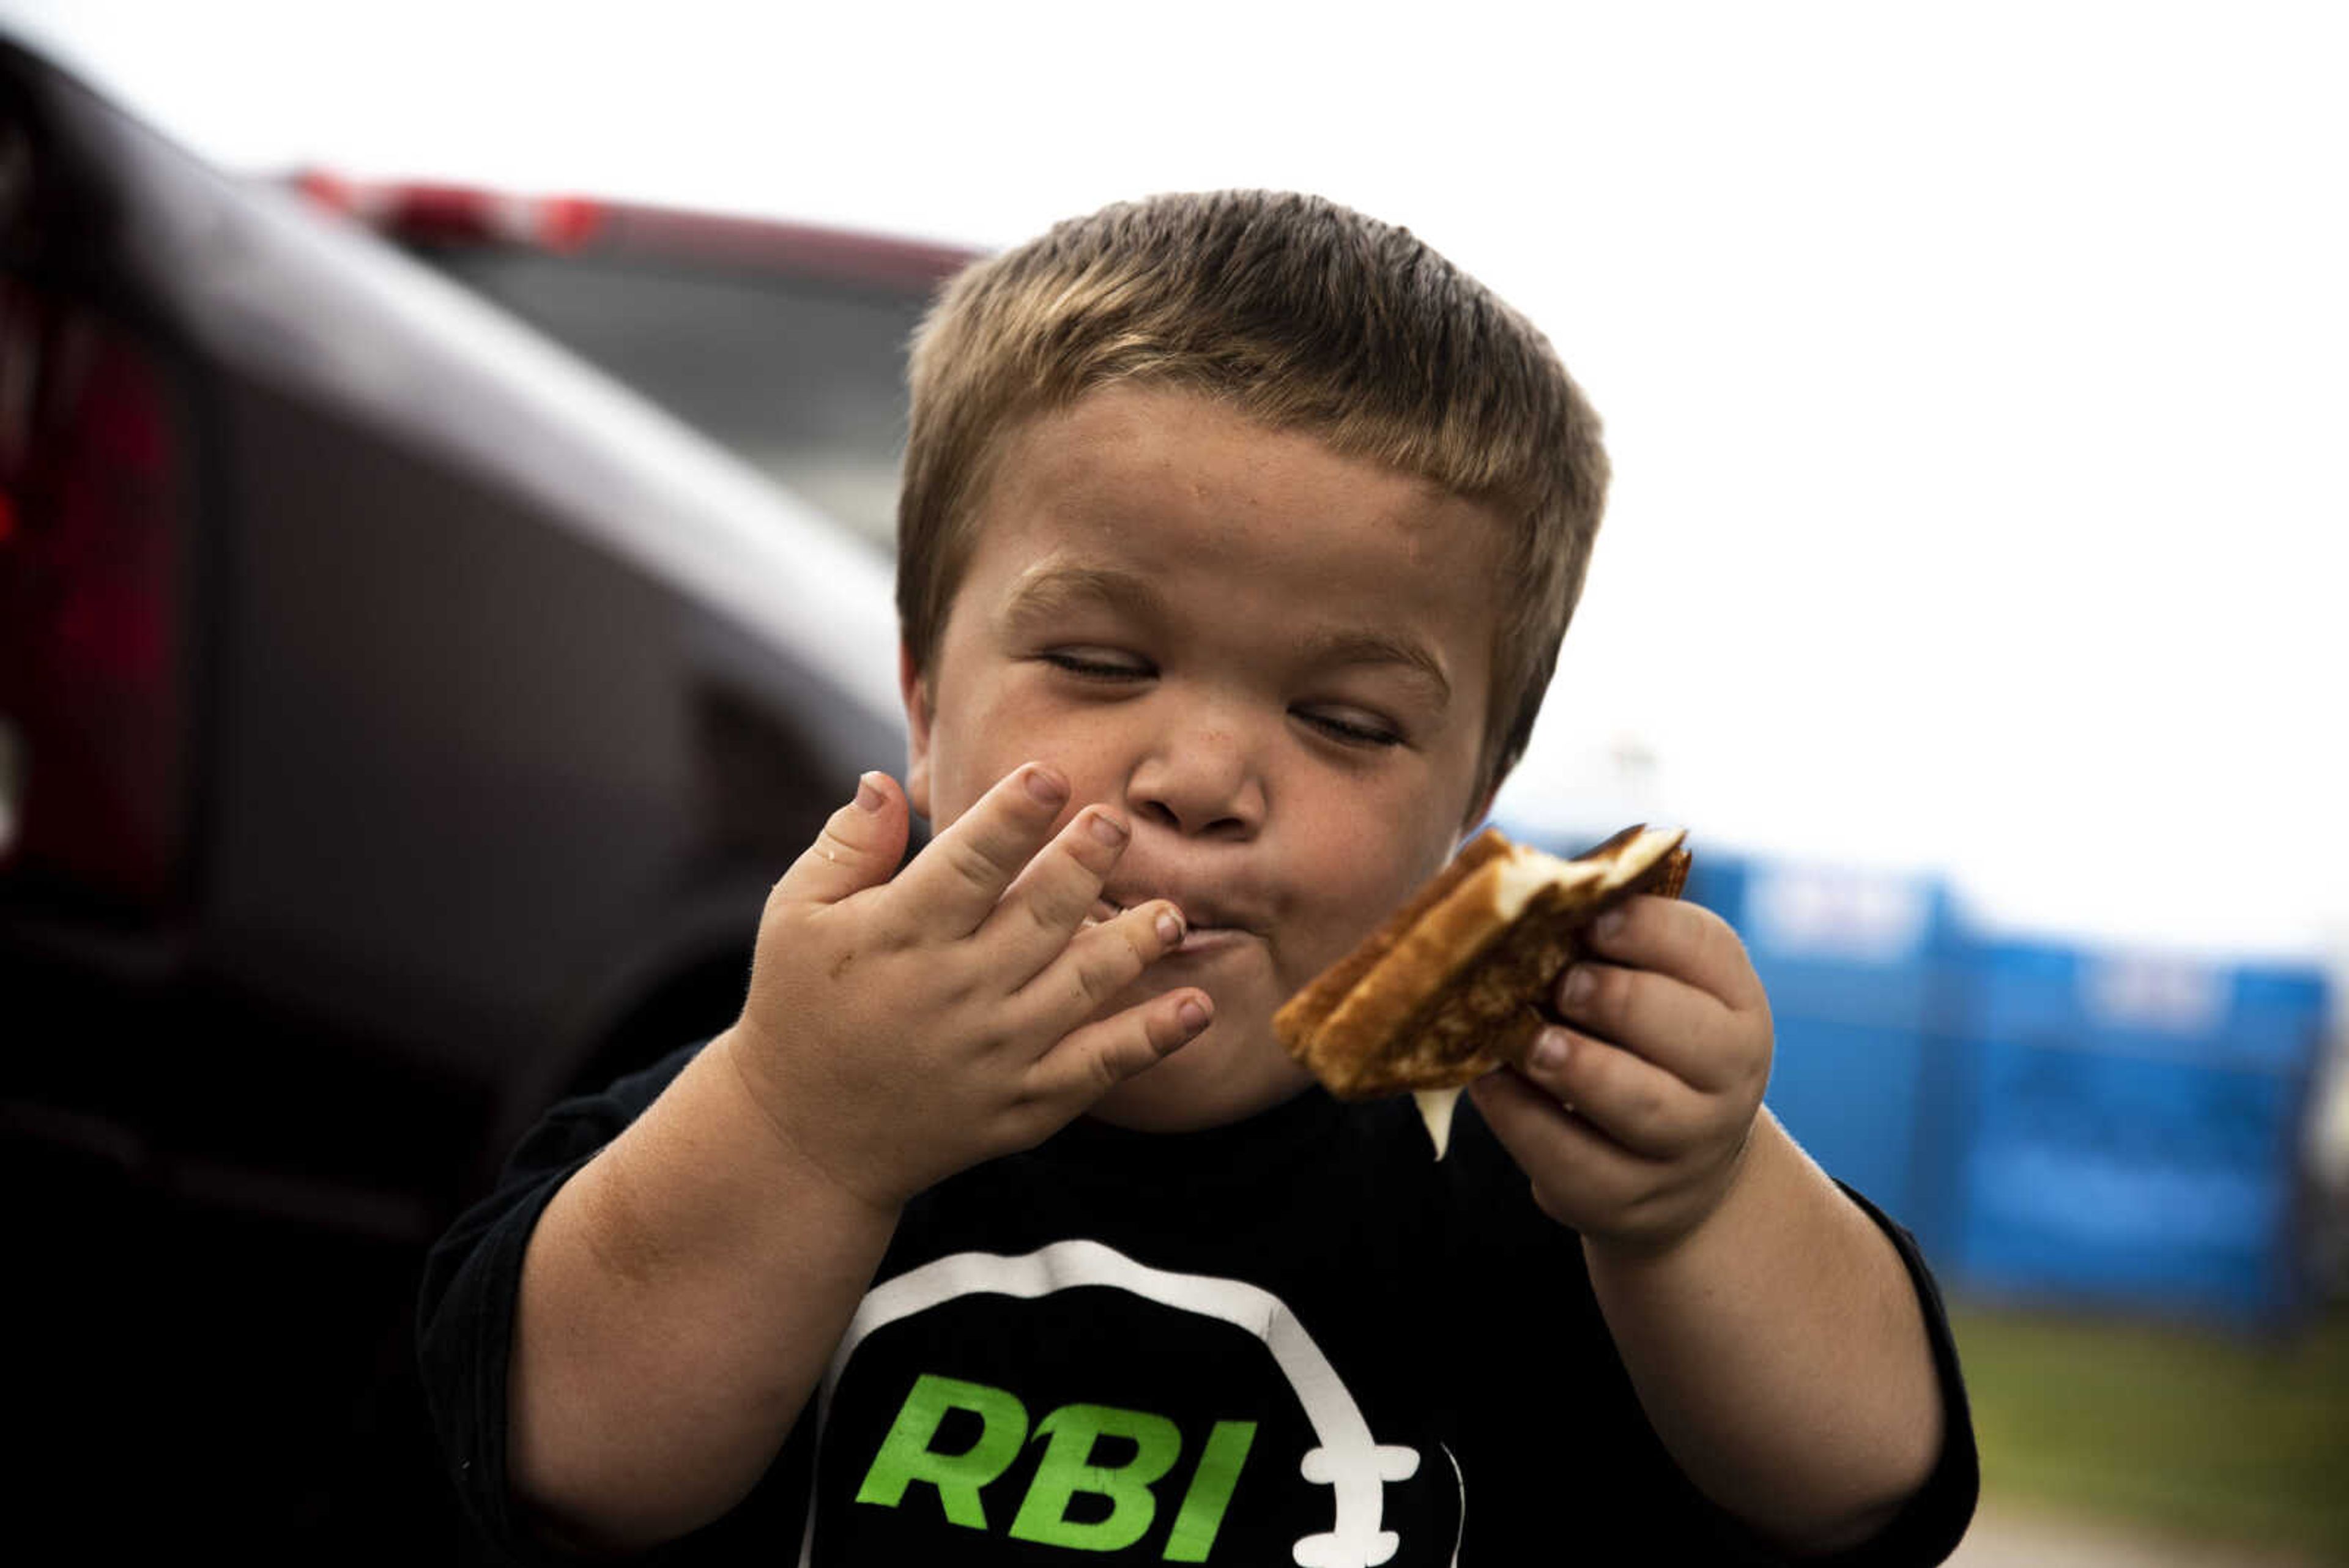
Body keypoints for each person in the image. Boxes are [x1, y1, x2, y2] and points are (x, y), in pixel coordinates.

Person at [419, 190, 1978, 1566]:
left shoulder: (1533, 1174)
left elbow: (1859, 1496)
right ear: (921, 691)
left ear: (1477, 801)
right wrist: (805, 1133)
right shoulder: (766, 1108)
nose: (1204, 778)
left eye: (1347, 721)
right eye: (1100, 662)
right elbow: (571, 1472)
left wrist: (1692, 1200)